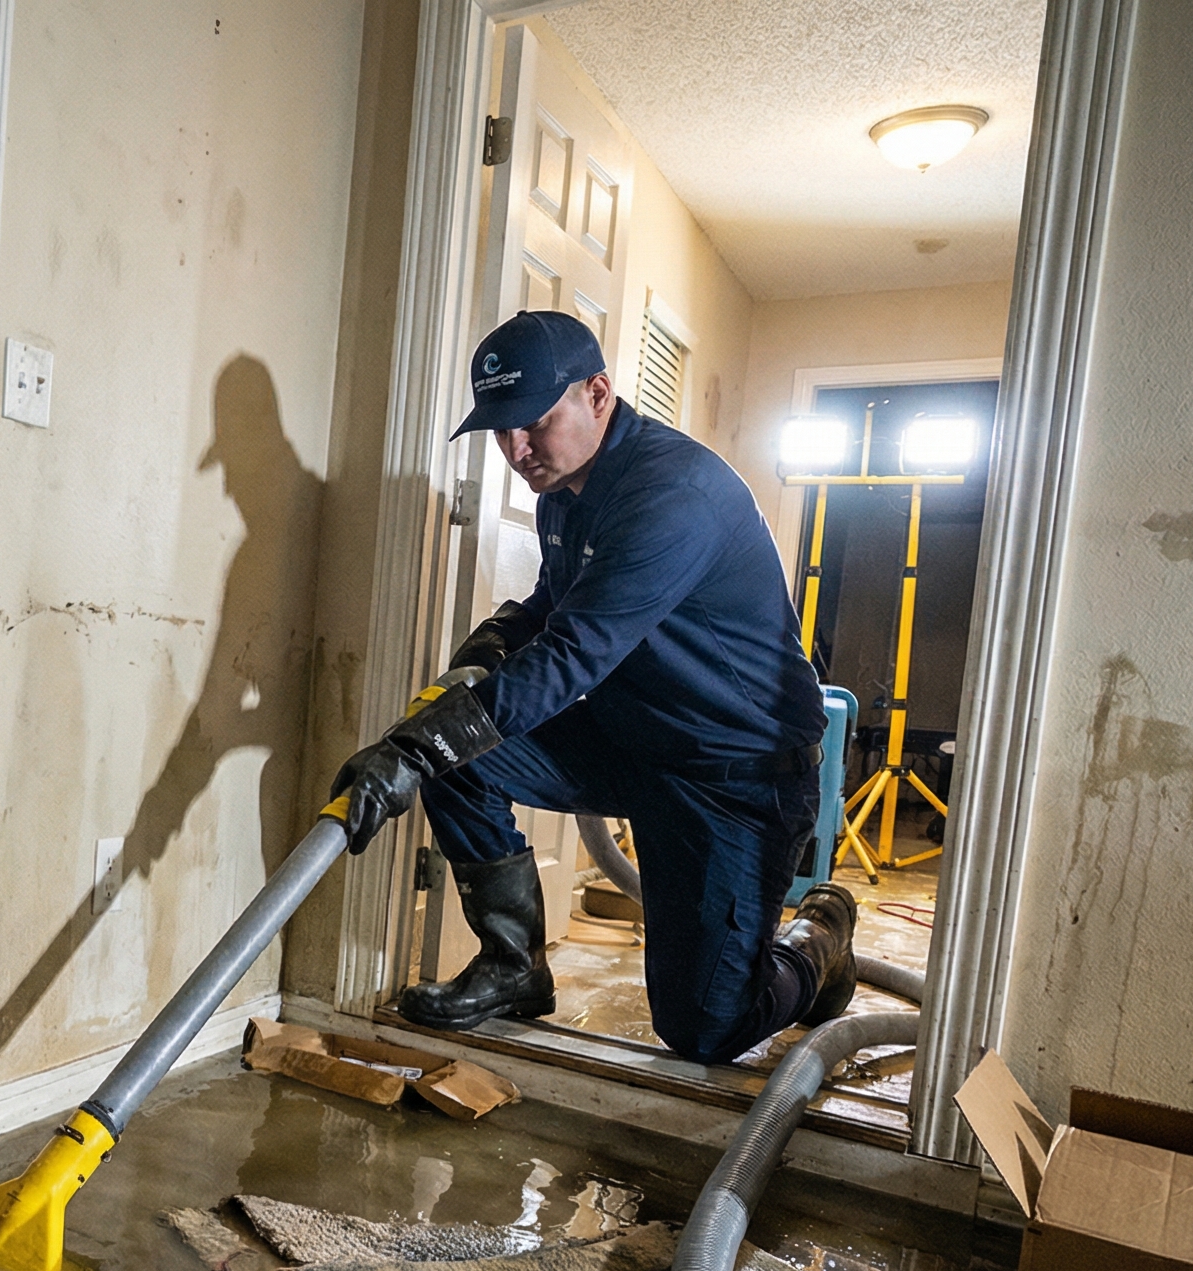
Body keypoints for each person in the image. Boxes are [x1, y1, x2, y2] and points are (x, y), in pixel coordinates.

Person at [331, 312, 855, 1064]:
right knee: (458, 755)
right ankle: (513, 967)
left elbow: (574, 654)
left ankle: (819, 940)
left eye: (534, 423)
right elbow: (554, 606)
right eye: (501, 430)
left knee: (706, 1028)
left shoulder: (674, 495)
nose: (516, 451)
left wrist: (413, 748)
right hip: (635, 741)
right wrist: (500, 634)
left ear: (599, 394)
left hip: (733, 775)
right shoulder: (565, 492)